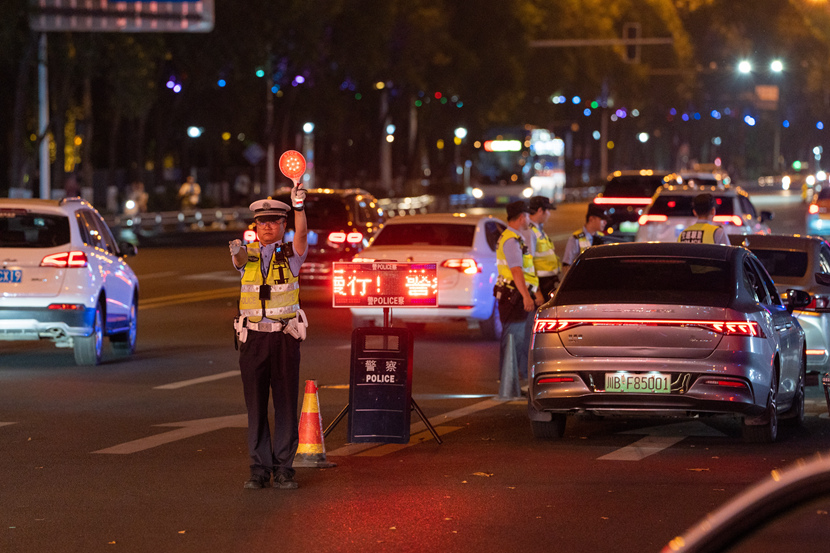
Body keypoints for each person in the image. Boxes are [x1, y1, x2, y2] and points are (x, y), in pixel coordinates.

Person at [229, 182, 308, 490]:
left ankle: (284, 467)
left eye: (274, 221)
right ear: (256, 226)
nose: (267, 226)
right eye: (262, 222)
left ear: (283, 225)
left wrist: (299, 206)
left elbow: (302, 235)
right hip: (252, 340)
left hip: (284, 337)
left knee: (286, 403)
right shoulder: (246, 255)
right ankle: (260, 468)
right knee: (256, 404)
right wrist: (236, 253)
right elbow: (237, 263)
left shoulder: (291, 253)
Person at [495, 200, 544, 390]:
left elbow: (526, 271)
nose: (529, 220)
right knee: (513, 338)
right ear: (522, 217)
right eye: (527, 216)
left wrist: (534, 292)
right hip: (512, 295)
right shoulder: (511, 240)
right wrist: (526, 296)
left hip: (515, 293)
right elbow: (516, 271)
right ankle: (507, 380)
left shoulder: (514, 237)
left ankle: (510, 379)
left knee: (516, 337)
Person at [527, 196, 562, 301]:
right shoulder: (530, 232)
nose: (549, 214)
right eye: (548, 211)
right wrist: (536, 291)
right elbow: (527, 264)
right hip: (540, 283)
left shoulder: (537, 229)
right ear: (540, 210)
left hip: (547, 282)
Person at [561, 204, 609, 271]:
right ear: (591, 219)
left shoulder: (602, 237)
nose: (605, 222)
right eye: (602, 219)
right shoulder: (576, 238)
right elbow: (566, 265)